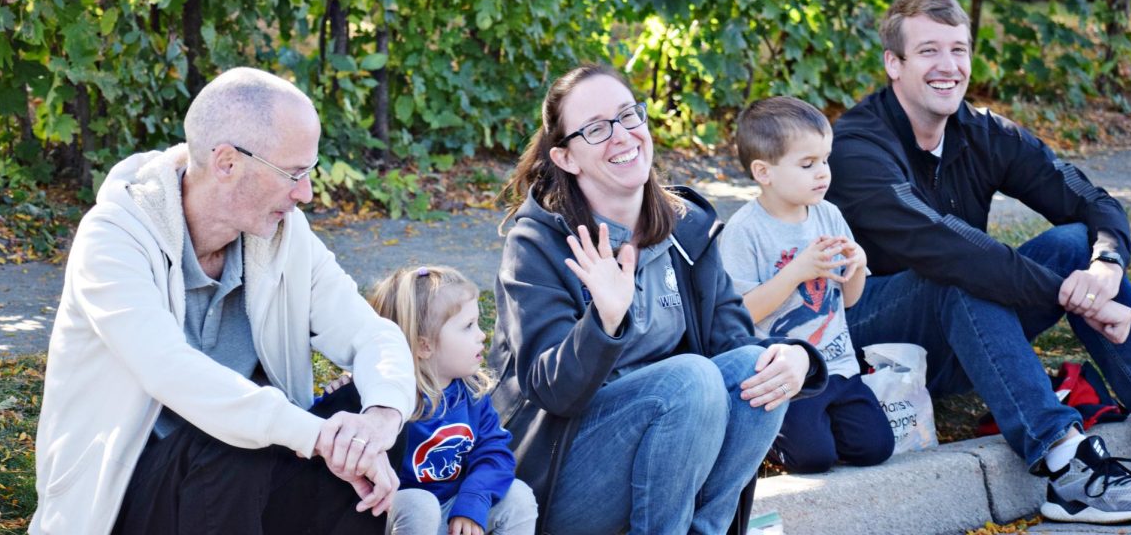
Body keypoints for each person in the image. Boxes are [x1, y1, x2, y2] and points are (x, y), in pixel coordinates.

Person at [31, 67, 417, 535]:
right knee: (235, 441)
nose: (306, 193)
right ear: (227, 162)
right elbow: (172, 372)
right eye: (293, 174)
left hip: (241, 489)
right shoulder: (113, 238)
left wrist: (379, 419)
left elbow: (373, 335)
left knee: (365, 416)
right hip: (129, 500)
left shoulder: (286, 238)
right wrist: (316, 435)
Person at [827, 0, 1131, 525]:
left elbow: (1092, 201)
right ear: (894, 64)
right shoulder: (857, 146)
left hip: (966, 330)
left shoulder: (984, 132)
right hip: (870, 340)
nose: (948, 67)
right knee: (955, 272)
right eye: (928, 51)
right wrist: (1066, 294)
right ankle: (1066, 465)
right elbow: (944, 247)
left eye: (959, 50)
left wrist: (1105, 268)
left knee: (1074, 243)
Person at [488, 63, 828, 535]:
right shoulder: (538, 246)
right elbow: (550, 391)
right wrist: (603, 323)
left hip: (672, 457)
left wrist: (795, 360)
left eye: (629, 116)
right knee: (691, 379)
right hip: (564, 479)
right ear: (566, 158)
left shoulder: (686, 226)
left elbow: (734, 343)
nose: (623, 136)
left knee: (757, 367)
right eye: (596, 128)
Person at [719, 96, 894, 474]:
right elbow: (741, 314)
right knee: (812, 460)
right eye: (807, 164)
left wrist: (858, 266)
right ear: (764, 172)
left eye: (825, 160)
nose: (823, 173)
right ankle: (767, 439)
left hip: (839, 364)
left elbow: (849, 301)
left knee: (875, 448)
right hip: (787, 376)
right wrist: (796, 271)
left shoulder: (828, 215)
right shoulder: (744, 231)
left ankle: (822, 429)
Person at [361, 266, 537, 535]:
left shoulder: (471, 394)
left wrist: (472, 501)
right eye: (468, 327)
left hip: (453, 509)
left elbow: (494, 452)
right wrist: (344, 389)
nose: (482, 334)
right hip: (398, 517)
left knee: (518, 496)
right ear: (424, 346)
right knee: (421, 504)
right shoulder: (386, 400)